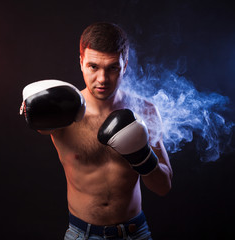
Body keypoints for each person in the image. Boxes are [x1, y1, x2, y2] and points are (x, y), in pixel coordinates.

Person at [20, 22, 172, 240]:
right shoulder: (62, 114)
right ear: (81, 62)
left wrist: (142, 157)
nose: (102, 79)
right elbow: (33, 115)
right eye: (93, 67)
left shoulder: (145, 111)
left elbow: (163, 186)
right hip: (82, 234)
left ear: (125, 65)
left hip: (134, 233)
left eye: (112, 68)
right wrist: (30, 108)